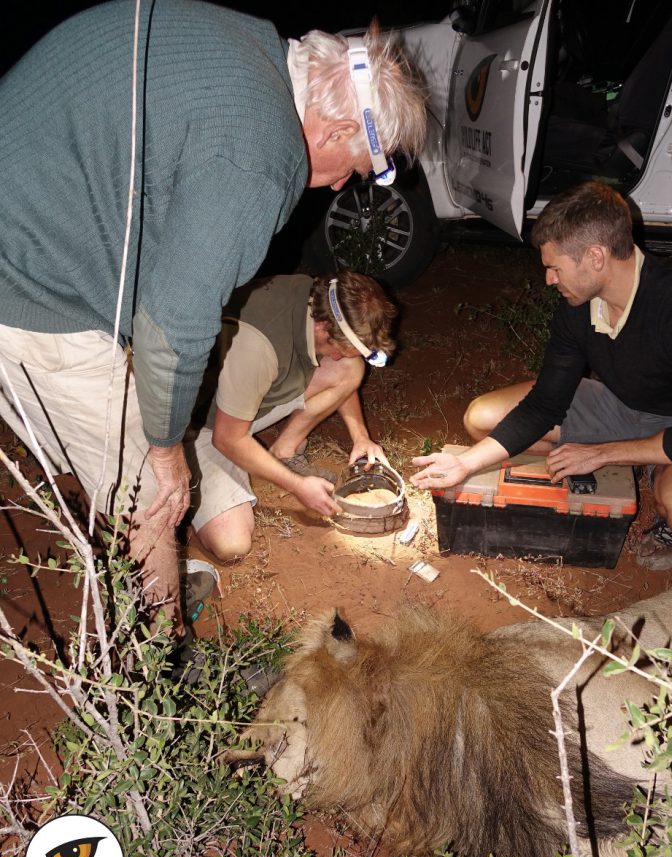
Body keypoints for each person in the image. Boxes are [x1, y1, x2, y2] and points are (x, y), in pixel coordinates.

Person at [0, 0, 426, 628]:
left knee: (113, 451)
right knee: (149, 493)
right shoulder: (259, 150)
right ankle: (155, 678)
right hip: (32, 280)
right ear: (337, 130)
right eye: (354, 169)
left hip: (32, 224)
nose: (339, 186)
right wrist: (166, 448)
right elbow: (173, 328)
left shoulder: (251, 44)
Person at [412, 181, 672, 570]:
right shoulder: (578, 305)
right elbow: (544, 405)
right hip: (621, 405)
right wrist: (466, 464)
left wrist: (602, 453)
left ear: (595, 256)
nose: (549, 279)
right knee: (482, 420)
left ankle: (654, 471)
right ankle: (626, 461)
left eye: (554, 267)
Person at [185, 270, 396, 562]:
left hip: (243, 397)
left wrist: (360, 437)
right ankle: (186, 491)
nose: (339, 356)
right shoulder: (257, 347)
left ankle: (283, 453)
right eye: (340, 348)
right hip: (200, 424)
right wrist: (297, 487)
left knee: (350, 368)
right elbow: (227, 438)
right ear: (323, 327)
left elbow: (346, 362)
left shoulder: (317, 297)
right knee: (232, 544)